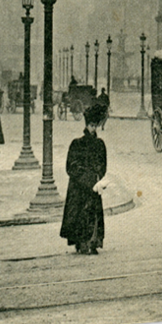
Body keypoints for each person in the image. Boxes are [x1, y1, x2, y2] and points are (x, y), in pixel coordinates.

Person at [60, 103, 108, 255]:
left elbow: (103, 165)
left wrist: (98, 177)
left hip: (93, 185)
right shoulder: (77, 144)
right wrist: (86, 178)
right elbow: (71, 166)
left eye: (95, 126)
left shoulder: (100, 144)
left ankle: (93, 243)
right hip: (80, 187)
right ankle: (82, 244)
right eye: (91, 125)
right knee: (81, 215)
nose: (93, 129)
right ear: (86, 125)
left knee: (92, 215)